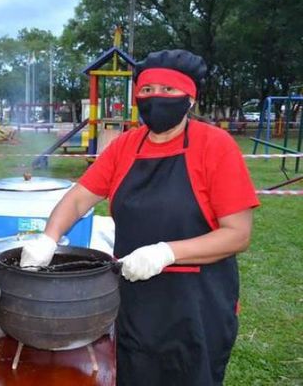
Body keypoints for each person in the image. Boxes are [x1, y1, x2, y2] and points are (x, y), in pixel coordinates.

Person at [21, 49, 259, 385]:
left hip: (197, 305)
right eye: (147, 90)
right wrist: (49, 237)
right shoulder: (125, 146)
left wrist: (166, 252)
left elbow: (238, 233)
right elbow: (77, 200)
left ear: (190, 97)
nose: (156, 97)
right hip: (136, 301)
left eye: (168, 89)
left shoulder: (216, 146)